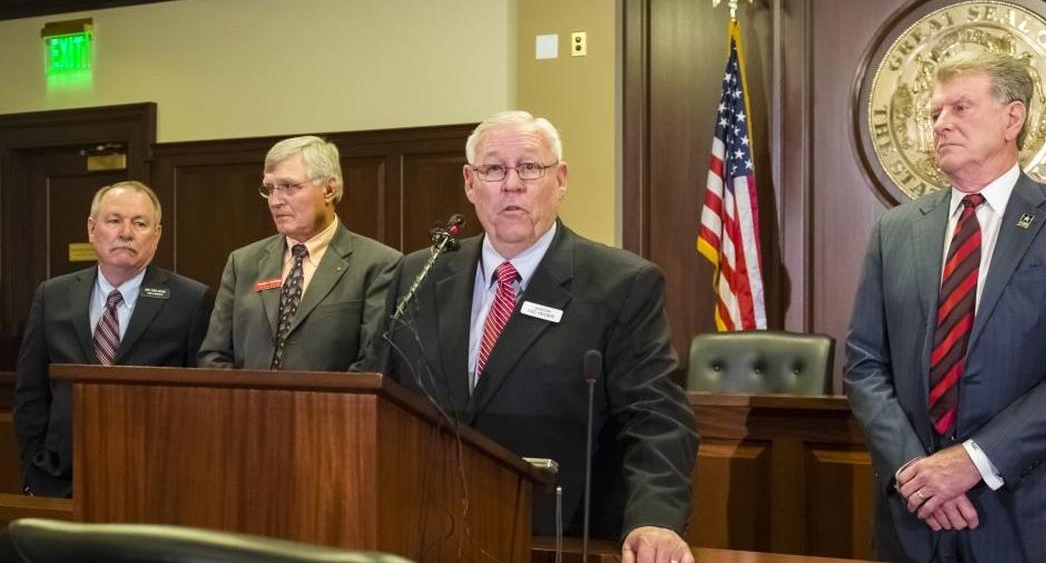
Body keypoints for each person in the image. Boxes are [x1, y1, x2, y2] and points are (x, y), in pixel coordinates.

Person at [383, 111, 699, 563]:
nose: (512, 184)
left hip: (558, 539)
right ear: (471, 184)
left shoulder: (621, 283)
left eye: (530, 167)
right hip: (425, 532)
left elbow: (657, 418)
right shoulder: (418, 272)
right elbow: (383, 393)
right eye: (494, 169)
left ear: (561, 179)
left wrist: (655, 519)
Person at [845, 51, 1046, 563]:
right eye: (934, 114)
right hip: (915, 515)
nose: (941, 125)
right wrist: (915, 472)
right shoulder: (895, 230)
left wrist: (973, 461)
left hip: (1032, 514)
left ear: (1011, 118)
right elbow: (864, 364)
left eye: (960, 108)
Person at [14, 181, 213, 497]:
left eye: (140, 223)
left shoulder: (190, 300)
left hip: (152, 480)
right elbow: (31, 391)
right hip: (59, 476)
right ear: (92, 229)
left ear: (157, 234)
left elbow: (201, 402)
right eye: (114, 220)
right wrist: (32, 469)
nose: (126, 233)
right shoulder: (52, 294)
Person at [198, 136, 401, 371]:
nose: (275, 201)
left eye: (288, 187)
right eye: (270, 189)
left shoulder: (378, 264)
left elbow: (372, 363)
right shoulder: (243, 262)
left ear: (328, 189)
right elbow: (214, 355)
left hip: (331, 407)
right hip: (247, 406)